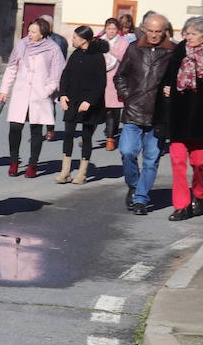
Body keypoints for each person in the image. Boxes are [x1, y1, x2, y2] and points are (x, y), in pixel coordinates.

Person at [160, 17, 203, 221]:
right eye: (185, 33)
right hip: (179, 119)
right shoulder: (177, 57)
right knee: (177, 162)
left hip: (202, 121)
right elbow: (166, 81)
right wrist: (166, 90)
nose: (186, 37)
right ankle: (181, 206)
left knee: (200, 163)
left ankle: (198, 193)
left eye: (191, 33)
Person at [114, 12, 175, 215]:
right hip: (133, 110)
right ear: (143, 28)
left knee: (151, 159)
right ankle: (134, 184)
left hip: (159, 114)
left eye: (158, 32)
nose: (154, 35)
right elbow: (120, 76)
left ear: (165, 31)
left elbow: (180, 80)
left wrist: (172, 91)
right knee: (128, 152)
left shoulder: (174, 52)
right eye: (150, 31)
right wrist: (126, 95)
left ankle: (141, 199)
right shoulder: (134, 48)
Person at [1, 17, 64, 177]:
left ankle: (33, 165)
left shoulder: (53, 49)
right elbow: (12, 67)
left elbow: (57, 75)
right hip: (21, 93)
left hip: (39, 96)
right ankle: (14, 161)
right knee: (15, 128)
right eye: (29, 31)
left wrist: (46, 91)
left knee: (36, 131)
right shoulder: (21, 45)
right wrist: (5, 89)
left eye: (33, 32)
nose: (29, 34)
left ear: (42, 34)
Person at [55, 26, 110, 184]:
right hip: (72, 99)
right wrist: (63, 95)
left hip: (90, 103)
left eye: (75, 38)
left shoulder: (98, 57)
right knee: (68, 134)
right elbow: (65, 75)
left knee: (86, 136)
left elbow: (101, 83)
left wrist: (90, 101)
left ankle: (82, 172)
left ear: (84, 40)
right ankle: (65, 171)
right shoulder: (75, 54)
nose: (72, 40)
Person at [97, 18, 129, 151]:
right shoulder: (98, 41)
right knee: (95, 109)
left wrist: (110, 49)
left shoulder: (123, 43)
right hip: (98, 79)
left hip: (114, 80)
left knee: (112, 111)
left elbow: (126, 59)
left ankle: (110, 138)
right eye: (109, 28)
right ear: (105, 29)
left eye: (114, 29)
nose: (111, 31)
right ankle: (86, 136)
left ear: (118, 30)